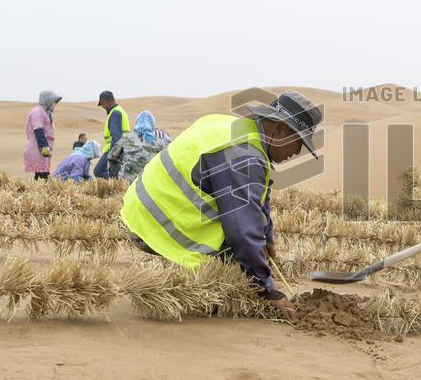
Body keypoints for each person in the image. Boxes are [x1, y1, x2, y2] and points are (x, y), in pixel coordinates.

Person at [119, 91, 323, 320]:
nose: (297, 152)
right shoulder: (244, 156)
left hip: (138, 207)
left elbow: (257, 200)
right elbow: (242, 230)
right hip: (155, 223)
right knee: (239, 260)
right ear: (279, 130)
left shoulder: (233, 128)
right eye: (298, 143)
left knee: (249, 250)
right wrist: (267, 288)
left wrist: (267, 239)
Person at [108, 110, 169, 182]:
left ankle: (115, 183)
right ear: (152, 124)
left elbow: (111, 156)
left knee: (114, 161)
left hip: (127, 181)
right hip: (149, 181)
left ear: (137, 123)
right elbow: (166, 161)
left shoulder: (126, 138)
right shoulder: (159, 142)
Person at [23, 90, 61, 181]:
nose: (55, 105)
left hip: (43, 150)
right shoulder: (38, 112)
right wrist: (44, 146)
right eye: (54, 102)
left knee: (43, 175)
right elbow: (38, 129)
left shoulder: (45, 112)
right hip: (38, 149)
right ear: (48, 101)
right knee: (42, 176)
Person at [94, 91, 130, 179]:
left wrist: (112, 155)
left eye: (102, 104)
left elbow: (116, 137)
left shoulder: (115, 113)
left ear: (105, 101)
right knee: (111, 173)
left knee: (98, 171)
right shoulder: (120, 111)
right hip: (121, 149)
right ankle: (118, 182)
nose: (102, 107)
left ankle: (117, 182)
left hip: (115, 150)